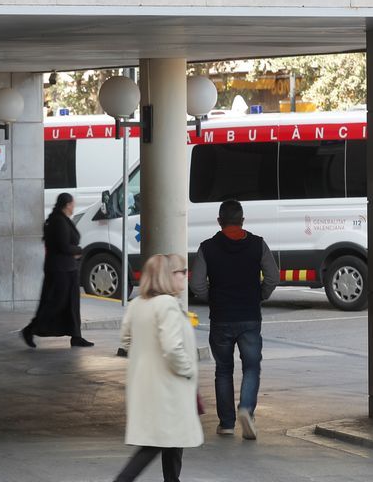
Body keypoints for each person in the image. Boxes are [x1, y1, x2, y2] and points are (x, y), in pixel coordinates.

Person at [190, 199, 280, 441]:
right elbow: (273, 277)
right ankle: (246, 409)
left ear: (219, 221)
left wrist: (214, 297)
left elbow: (197, 284)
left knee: (223, 370)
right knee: (251, 366)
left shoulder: (207, 248)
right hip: (249, 316)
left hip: (221, 318)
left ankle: (227, 424)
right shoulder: (258, 245)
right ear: (242, 220)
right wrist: (258, 295)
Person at [114, 254, 203, 482]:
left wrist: (145, 355)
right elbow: (173, 347)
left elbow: (125, 340)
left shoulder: (137, 304)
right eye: (182, 272)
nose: (185, 275)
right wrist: (187, 369)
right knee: (155, 444)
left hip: (145, 382)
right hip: (168, 386)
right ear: (166, 276)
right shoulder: (167, 305)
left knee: (171, 440)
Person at [21, 192, 94, 347]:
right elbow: (63, 246)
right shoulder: (58, 222)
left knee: (72, 304)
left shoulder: (60, 220)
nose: (74, 206)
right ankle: (30, 329)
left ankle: (76, 336)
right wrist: (78, 250)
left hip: (67, 269)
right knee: (55, 303)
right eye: (73, 204)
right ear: (67, 205)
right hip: (60, 271)